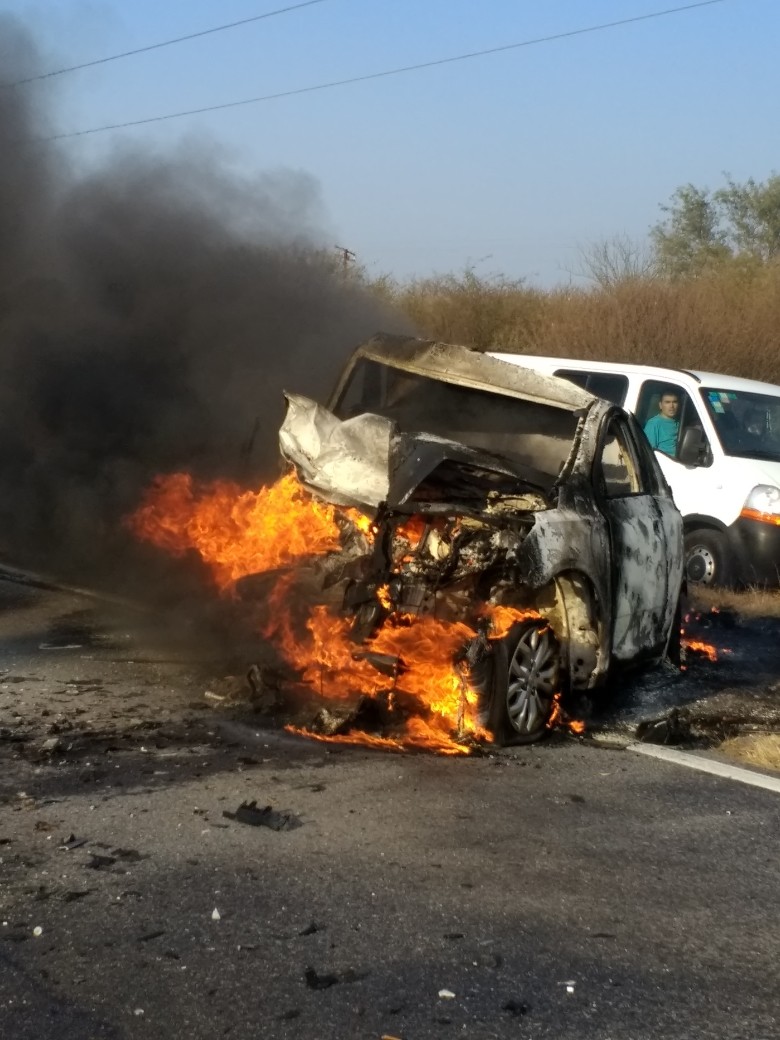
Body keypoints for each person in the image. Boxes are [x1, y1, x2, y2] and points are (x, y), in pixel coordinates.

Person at [643, 390, 680, 456]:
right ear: (660, 405)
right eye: (667, 402)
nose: (671, 406)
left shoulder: (680, 422)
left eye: (674, 402)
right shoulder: (653, 424)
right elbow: (648, 453)